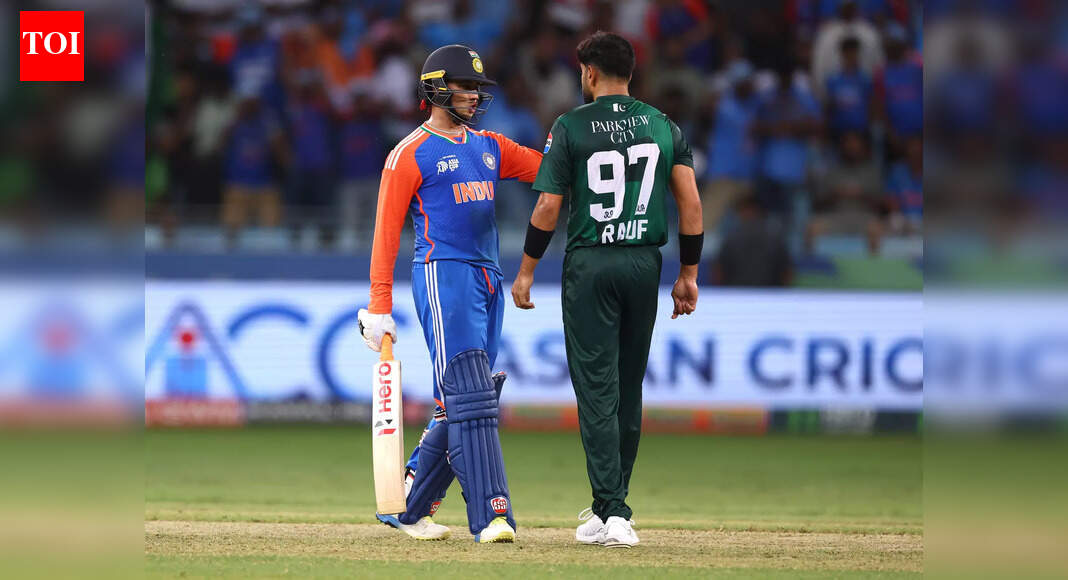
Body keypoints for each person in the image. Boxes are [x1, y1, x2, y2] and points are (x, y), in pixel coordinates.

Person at [509, 32, 703, 549]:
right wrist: (688, 273)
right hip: (644, 262)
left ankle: (614, 511)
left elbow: (548, 206)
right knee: (628, 387)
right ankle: (607, 508)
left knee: (597, 389)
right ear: (630, 73)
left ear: (590, 73)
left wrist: (526, 270)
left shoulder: (570, 126)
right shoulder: (663, 125)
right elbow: (690, 204)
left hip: (592, 263)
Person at [356, 44, 543, 543]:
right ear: (437, 89)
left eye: (479, 87)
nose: (475, 95)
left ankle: (409, 505)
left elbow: (549, 171)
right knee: (470, 393)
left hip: (489, 277)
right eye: (466, 86)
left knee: (458, 399)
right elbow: (385, 232)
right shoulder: (409, 153)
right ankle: (492, 516)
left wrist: (579, 148)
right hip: (444, 275)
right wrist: (379, 306)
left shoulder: (489, 145)